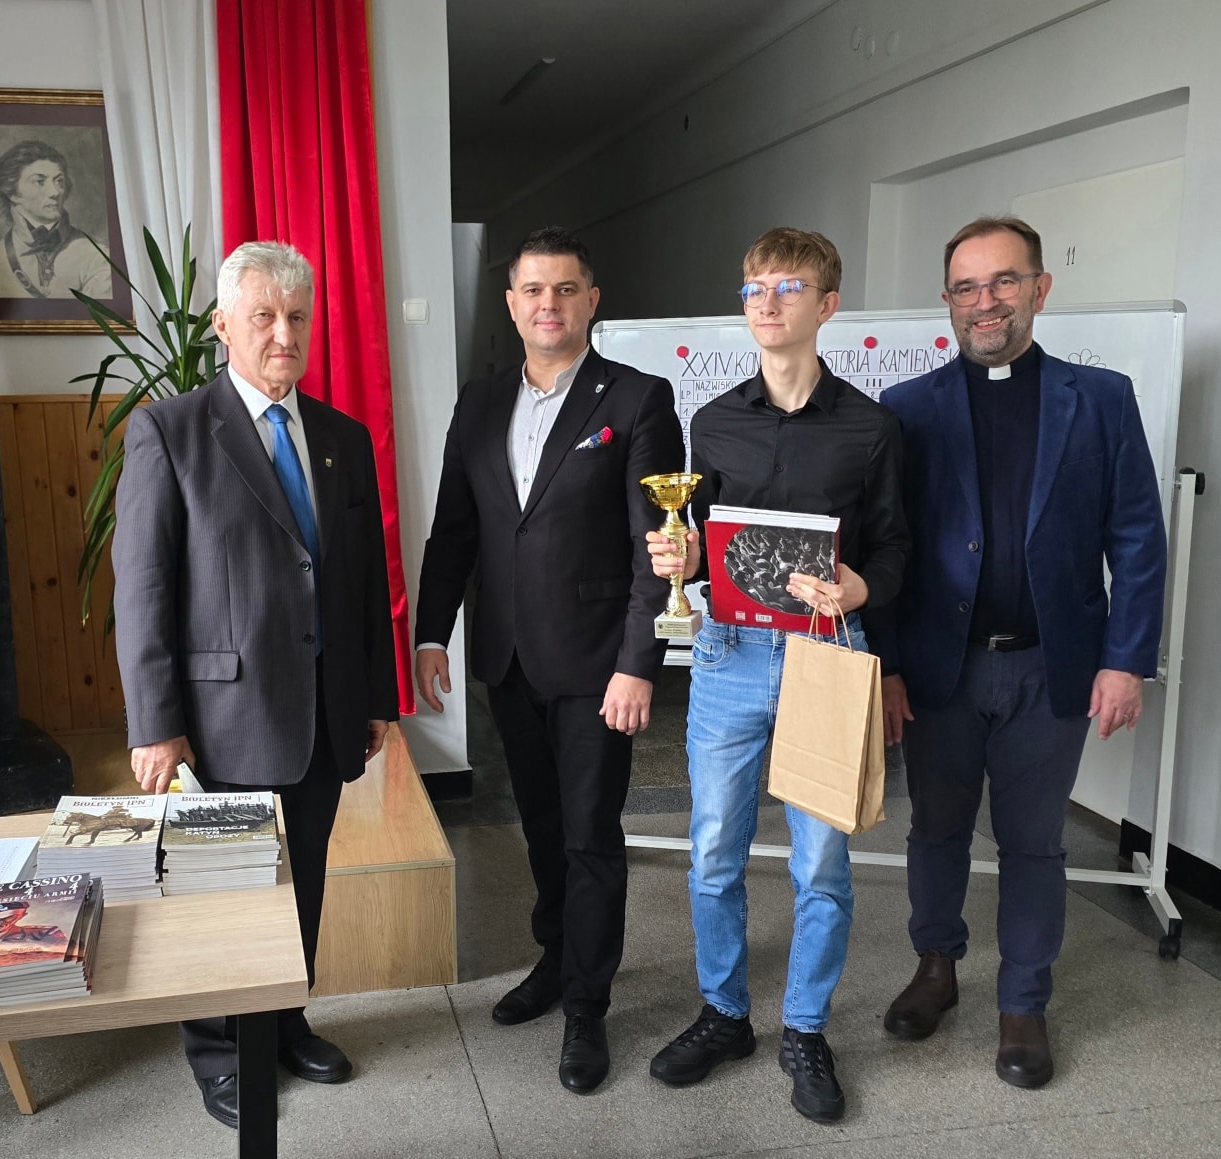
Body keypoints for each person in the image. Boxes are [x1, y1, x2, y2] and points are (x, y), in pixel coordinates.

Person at [870, 216, 1167, 1088]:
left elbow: (1136, 538)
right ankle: (935, 966)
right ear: (947, 301)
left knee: (1033, 841)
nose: (984, 301)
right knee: (935, 827)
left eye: (1002, 281)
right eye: (966, 287)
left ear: (1039, 288)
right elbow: (887, 549)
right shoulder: (906, 408)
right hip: (941, 665)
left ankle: (1022, 1000)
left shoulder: (1100, 398)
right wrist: (887, 667)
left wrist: (1125, 659)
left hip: (1050, 663)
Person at [113, 240, 398, 1129]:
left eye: (297, 316)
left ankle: (282, 1020)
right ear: (223, 325)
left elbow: (362, 578)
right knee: (220, 891)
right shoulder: (170, 431)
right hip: (220, 715)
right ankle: (218, 1051)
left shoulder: (343, 438)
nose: (284, 333)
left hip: (323, 710)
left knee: (300, 878)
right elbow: (143, 587)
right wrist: (155, 723)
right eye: (265, 316)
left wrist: (375, 695)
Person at [645, 228, 908, 1122]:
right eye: (753, 286)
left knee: (821, 861)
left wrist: (859, 586)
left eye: (787, 287)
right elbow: (704, 545)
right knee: (712, 849)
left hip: (825, 651)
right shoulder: (712, 420)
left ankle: (804, 1027)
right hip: (727, 652)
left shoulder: (872, 428)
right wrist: (679, 558)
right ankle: (724, 1013)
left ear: (826, 305)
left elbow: (896, 547)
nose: (765, 301)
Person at [414, 226, 683, 1094]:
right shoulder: (480, 401)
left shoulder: (637, 399)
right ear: (510, 303)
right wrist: (430, 632)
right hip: (509, 658)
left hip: (599, 664)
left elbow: (654, 546)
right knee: (538, 825)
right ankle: (556, 958)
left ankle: (587, 1007)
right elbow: (455, 528)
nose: (548, 304)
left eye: (565, 289)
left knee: (589, 836)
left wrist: (639, 660)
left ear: (591, 301)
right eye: (533, 289)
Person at [0, 139, 112, 300]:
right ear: (13, 193)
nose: (55, 192)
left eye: (59, 181)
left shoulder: (95, 256)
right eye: (40, 182)